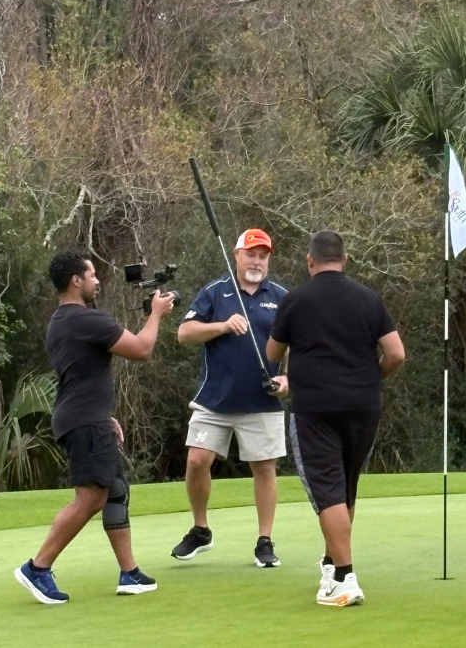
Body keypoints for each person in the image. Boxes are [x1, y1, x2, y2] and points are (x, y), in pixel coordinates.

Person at [15, 251, 175, 605]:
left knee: (114, 489)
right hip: (83, 420)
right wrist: (156, 314)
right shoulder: (85, 320)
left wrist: (105, 416)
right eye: (92, 274)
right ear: (76, 280)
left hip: (86, 417)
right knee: (91, 496)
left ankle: (129, 573)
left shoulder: (62, 320)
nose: (97, 280)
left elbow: (83, 376)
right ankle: (37, 568)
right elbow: (141, 348)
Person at [266, 230, 405, 608]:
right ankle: (332, 564)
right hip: (363, 405)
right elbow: (395, 353)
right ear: (344, 260)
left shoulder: (295, 299)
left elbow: (272, 351)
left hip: (315, 407)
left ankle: (344, 576)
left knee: (328, 489)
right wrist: (369, 378)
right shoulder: (368, 298)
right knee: (345, 487)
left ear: (310, 261)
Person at [170, 228, 289, 568]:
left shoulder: (281, 296)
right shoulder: (215, 292)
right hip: (214, 403)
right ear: (236, 255)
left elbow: (298, 344)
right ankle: (200, 529)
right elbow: (184, 333)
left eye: (263, 256)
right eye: (251, 254)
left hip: (262, 402)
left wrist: (287, 378)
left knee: (264, 469)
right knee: (196, 461)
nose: (257, 261)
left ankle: (264, 541)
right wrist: (221, 326)